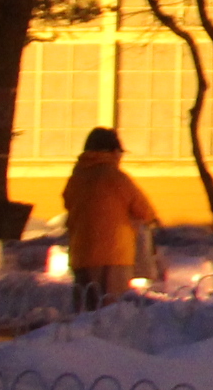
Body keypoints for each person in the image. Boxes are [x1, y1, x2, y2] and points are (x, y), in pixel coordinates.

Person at [61, 127, 158, 311]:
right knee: (110, 312)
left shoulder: (76, 179)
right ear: (113, 152)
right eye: (119, 153)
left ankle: (81, 340)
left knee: (85, 312)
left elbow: (69, 204)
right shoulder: (117, 178)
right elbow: (145, 211)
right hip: (115, 256)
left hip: (81, 255)